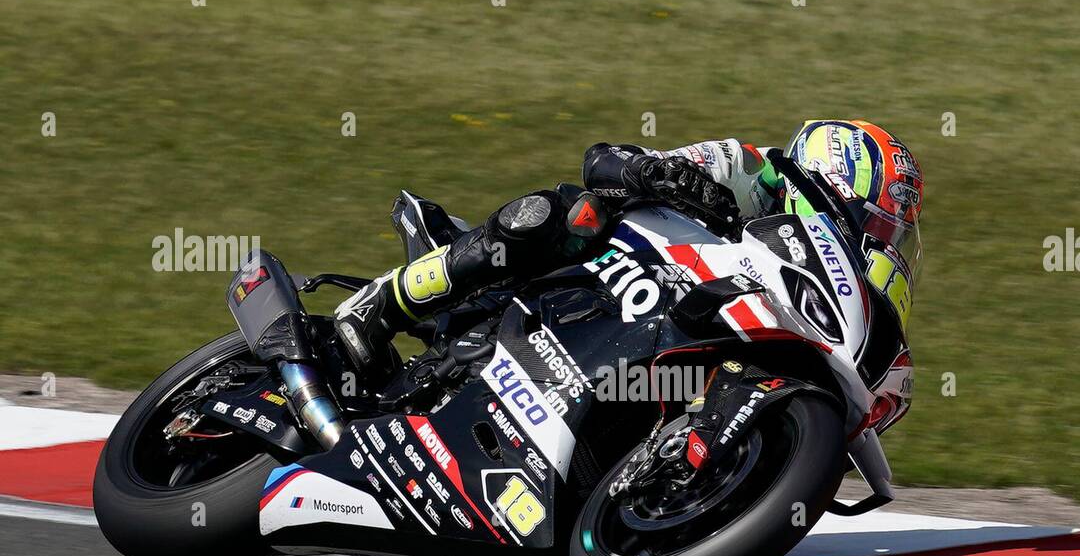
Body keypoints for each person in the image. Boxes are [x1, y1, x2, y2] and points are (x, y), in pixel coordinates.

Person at [333, 119, 923, 376]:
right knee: (566, 214)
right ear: (835, 186)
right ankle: (386, 304)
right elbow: (604, 159)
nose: (881, 244)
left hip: (658, 333)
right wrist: (661, 175)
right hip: (606, 267)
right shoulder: (751, 169)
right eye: (879, 226)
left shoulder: (816, 286)